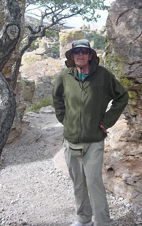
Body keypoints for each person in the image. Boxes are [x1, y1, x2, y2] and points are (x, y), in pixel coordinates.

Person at [52, 39, 129, 226]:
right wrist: (64, 120)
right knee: (78, 184)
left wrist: (107, 122)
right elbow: (57, 99)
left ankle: (103, 222)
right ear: (72, 56)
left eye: (84, 52)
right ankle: (83, 219)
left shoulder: (102, 75)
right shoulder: (65, 76)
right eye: (76, 51)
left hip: (93, 141)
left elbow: (122, 96)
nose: (80, 54)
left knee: (94, 183)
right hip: (70, 142)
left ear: (90, 56)